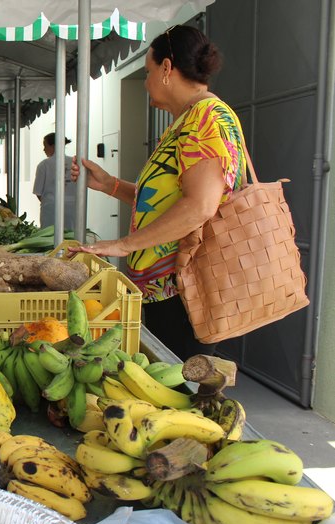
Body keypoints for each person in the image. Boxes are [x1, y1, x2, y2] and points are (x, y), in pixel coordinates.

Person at [68, 25, 246, 360]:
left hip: (184, 291)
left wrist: (123, 245)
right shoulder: (186, 120)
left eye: (148, 72)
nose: (146, 81)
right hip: (165, 290)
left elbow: (200, 206)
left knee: (180, 379)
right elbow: (166, 201)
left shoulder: (206, 119)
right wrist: (110, 185)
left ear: (167, 68)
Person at [32, 134, 75, 230]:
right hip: (72, 209)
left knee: (50, 235)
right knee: (71, 235)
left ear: (53, 146)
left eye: (45, 146)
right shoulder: (74, 163)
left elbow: (38, 192)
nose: (44, 149)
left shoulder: (43, 165)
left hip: (50, 209)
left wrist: (49, 202)